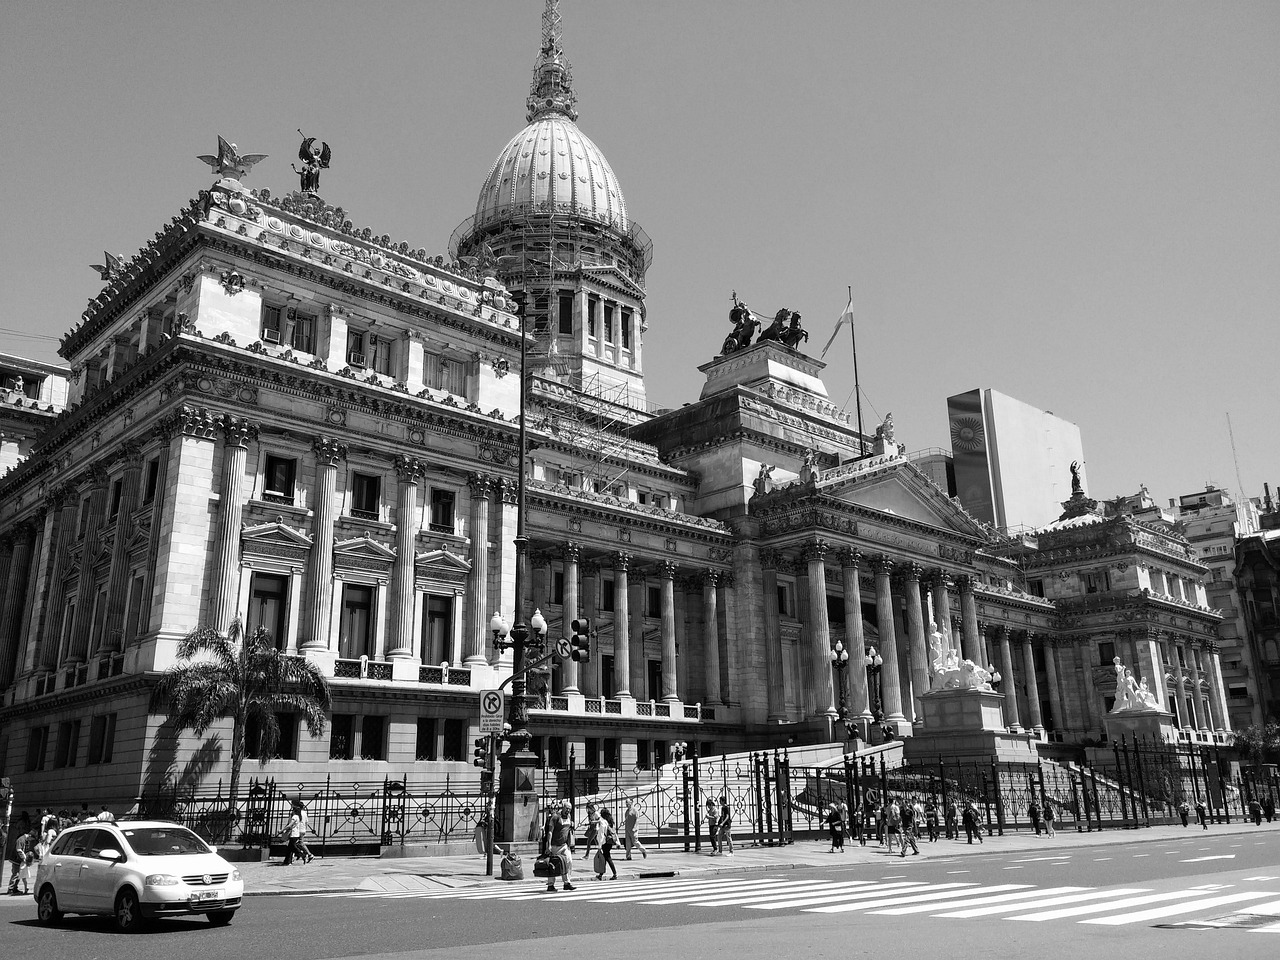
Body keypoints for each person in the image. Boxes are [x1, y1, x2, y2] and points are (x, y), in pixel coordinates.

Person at [542, 803, 576, 892]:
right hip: (554, 845)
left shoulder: (569, 817)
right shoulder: (555, 817)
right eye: (567, 808)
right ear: (563, 808)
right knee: (552, 865)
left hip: (564, 845)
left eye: (570, 809)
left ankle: (567, 883)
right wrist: (548, 845)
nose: (568, 810)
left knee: (568, 862)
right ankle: (550, 885)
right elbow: (550, 832)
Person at [595, 809, 619, 880]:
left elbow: (602, 834)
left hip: (605, 842)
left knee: (607, 858)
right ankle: (600, 874)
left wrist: (599, 846)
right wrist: (617, 842)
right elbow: (614, 833)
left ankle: (615, 874)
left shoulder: (603, 822)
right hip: (609, 842)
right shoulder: (610, 822)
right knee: (605, 858)